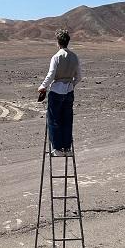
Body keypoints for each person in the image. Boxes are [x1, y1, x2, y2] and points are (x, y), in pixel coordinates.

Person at [38, 29, 82, 157]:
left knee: (54, 119)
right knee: (67, 120)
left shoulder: (56, 57)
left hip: (56, 91)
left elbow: (51, 75)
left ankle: (57, 148)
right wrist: (71, 84)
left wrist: (42, 86)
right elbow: (79, 76)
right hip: (69, 91)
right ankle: (67, 148)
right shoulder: (74, 57)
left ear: (58, 42)